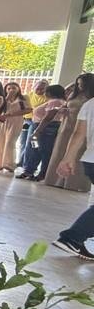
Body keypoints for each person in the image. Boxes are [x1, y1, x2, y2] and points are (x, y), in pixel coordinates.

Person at [51, 90, 94, 260]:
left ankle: (74, 238)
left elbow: (79, 134)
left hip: (90, 161)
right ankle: (72, 238)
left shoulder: (90, 103)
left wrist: (68, 158)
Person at [46, 74, 94, 191]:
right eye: (78, 83)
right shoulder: (74, 95)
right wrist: (64, 110)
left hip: (81, 126)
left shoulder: (90, 100)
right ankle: (56, 179)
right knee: (60, 151)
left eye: (82, 83)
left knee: (77, 153)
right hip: (67, 126)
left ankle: (74, 183)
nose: (79, 86)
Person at [18, 84, 67, 181]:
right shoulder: (57, 101)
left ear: (50, 92)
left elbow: (48, 117)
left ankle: (40, 173)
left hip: (44, 128)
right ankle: (29, 171)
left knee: (41, 150)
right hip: (40, 127)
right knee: (34, 148)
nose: (44, 93)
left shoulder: (55, 102)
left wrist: (37, 131)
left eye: (45, 91)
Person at [0, 82, 30, 172]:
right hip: (2, 121)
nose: (11, 90)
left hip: (16, 121)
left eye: (13, 88)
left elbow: (28, 110)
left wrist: (12, 114)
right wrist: (7, 97)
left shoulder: (23, 98)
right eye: (9, 88)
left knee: (10, 142)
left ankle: (9, 164)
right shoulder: (2, 98)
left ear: (18, 89)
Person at [19, 79, 48, 166]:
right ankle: (21, 161)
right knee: (23, 141)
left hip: (36, 122)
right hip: (26, 120)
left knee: (32, 142)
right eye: (37, 88)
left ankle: (29, 163)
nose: (39, 91)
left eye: (42, 89)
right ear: (34, 87)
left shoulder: (47, 98)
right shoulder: (29, 95)